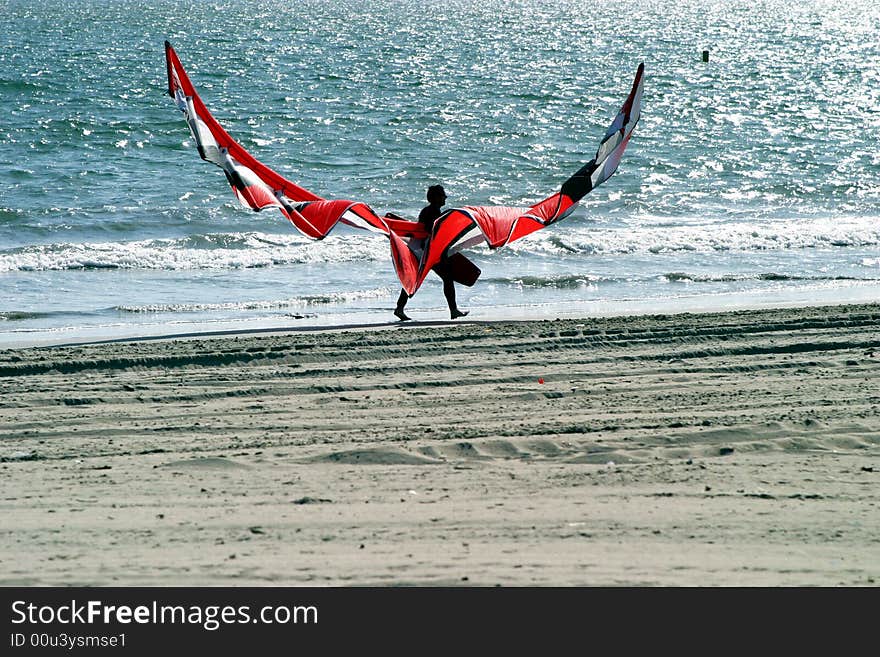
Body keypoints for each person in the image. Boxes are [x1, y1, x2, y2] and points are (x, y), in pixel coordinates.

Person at [394, 184, 468, 321]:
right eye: (442, 195)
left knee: (415, 279)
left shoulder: (429, 211)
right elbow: (431, 232)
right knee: (447, 278)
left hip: (424, 250)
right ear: (435, 197)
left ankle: (399, 308)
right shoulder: (432, 212)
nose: (445, 198)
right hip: (429, 252)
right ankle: (453, 310)